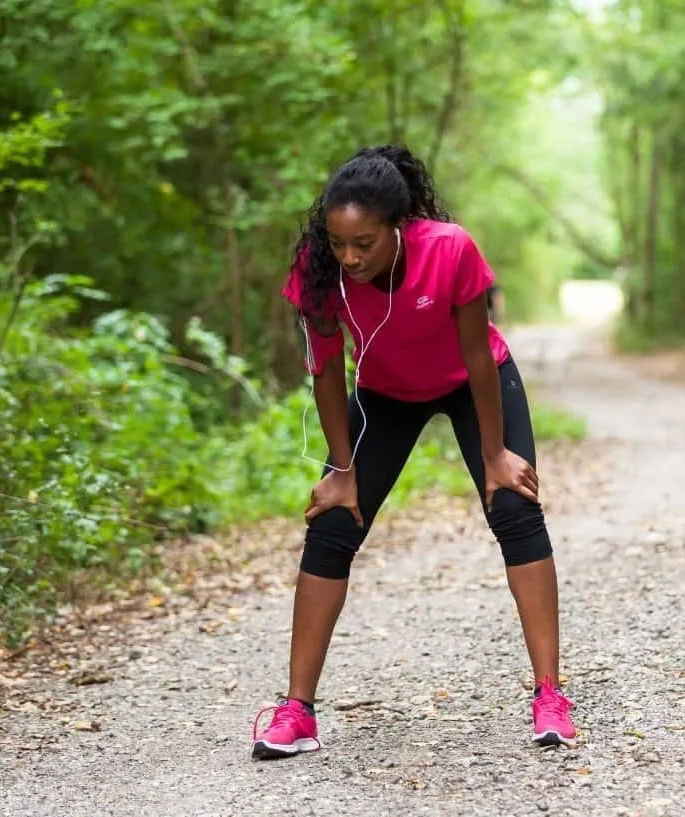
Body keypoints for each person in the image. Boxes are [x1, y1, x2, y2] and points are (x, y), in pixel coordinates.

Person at [250, 145, 576, 760]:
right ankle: (297, 712)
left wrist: (495, 455)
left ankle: (550, 695)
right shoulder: (320, 270)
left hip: (470, 381)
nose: (349, 257)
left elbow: (477, 354)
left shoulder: (449, 248)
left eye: (364, 244)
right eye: (339, 243)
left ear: (397, 229)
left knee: (514, 509)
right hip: (383, 392)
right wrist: (342, 470)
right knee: (331, 525)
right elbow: (325, 371)